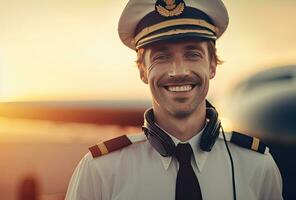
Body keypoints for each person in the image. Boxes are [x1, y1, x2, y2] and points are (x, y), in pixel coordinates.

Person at [65, 0, 283, 199]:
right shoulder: (100, 171)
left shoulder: (258, 166)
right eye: (162, 56)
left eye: (192, 54)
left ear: (212, 65)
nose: (178, 71)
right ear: (142, 71)